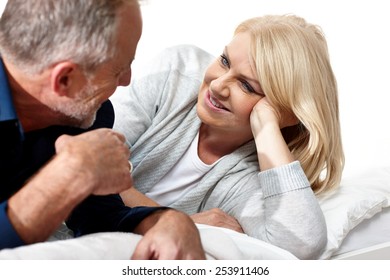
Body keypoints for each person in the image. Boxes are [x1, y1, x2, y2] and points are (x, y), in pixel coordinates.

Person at [112, 14, 345, 259]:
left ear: (283, 113)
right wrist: (183, 222)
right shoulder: (177, 72)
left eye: (246, 86)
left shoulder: (246, 178)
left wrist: (266, 127)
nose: (217, 85)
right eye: (224, 61)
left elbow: (302, 245)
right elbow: (88, 165)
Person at [0, 0, 205, 260]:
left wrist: (168, 219)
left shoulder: (87, 115)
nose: (128, 80)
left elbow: (100, 218)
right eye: (119, 70)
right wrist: (70, 173)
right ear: (64, 79)